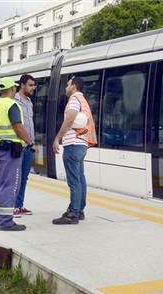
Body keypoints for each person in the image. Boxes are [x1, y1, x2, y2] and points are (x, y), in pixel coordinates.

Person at [0, 77, 37, 231]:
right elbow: (18, 127)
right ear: (13, 89)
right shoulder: (12, 105)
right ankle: (6, 221)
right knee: (9, 184)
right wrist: (30, 143)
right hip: (9, 151)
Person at [52, 77, 97, 225]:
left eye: (67, 85)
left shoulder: (73, 99)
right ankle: (80, 210)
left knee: (74, 181)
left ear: (74, 86)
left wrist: (58, 138)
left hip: (73, 143)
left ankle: (73, 213)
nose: (65, 87)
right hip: (82, 144)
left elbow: (69, 119)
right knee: (80, 178)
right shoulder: (83, 101)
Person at [13, 74, 37, 217]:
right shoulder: (14, 101)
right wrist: (30, 142)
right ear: (22, 85)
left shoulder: (29, 102)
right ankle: (13, 206)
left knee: (24, 178)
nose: (33, 88)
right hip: (18, 145)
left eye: (34, 85)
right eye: (30, 85)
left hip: (28, 146)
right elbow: (18, 126)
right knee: (16, 177)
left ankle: (19, 205)